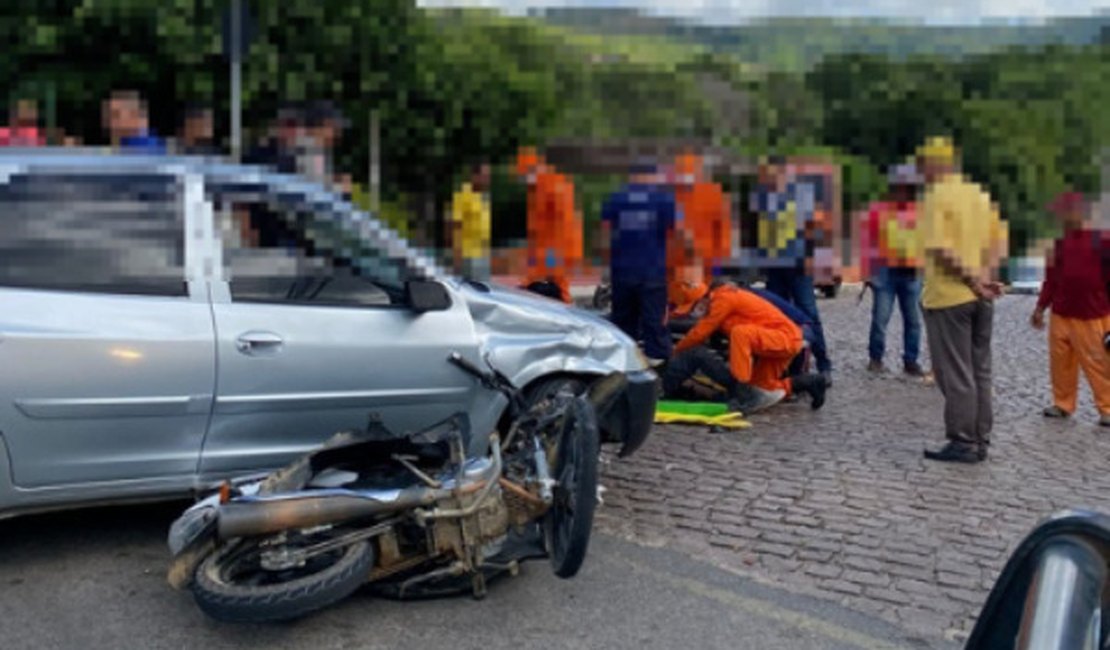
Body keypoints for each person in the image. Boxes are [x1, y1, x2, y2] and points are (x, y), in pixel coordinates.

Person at [916, 136, 1008, 463]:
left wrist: (970, 279)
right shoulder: (978, 195)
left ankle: (963, 442)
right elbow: (999, 243)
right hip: (982, 295)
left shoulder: (935, 196)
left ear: (934, 164)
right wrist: (986, 279)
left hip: (949, 296)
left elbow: (941, 248)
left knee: (956, 373)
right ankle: (981, 438)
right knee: (980, 370)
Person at [673, 280, 828, 413]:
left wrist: (675, 351)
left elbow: (700, 332)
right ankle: (810, 382)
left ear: (702, 299)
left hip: (785, 338)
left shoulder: (723, 298)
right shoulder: (722, 299)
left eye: (693, 307)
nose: (693, 312)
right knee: (762, 388)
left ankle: (743, 392)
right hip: (779, 340)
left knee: (740, 333)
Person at [1030, 191, 1110, 427]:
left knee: (1098, 362)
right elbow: (1051, 278)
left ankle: (1107, 407)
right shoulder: (1057, 242)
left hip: (1092, 313)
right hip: (1061, 312)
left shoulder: (1102, 240)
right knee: (1060, 361)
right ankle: (1063, 403)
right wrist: (1040, 307)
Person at [751, 157, 833, 381]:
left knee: (809, 314)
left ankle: (823, 364)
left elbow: (816, 227)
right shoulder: (761, 195)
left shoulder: (801, 193)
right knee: (775, 317)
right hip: (774, 266)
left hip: (798, 265)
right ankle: (783, 365)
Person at [601, 160, 685, 364]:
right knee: (654, 322)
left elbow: (604, 232)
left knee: (623, 320)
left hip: (622, 271)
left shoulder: (616, 198)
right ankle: (658, 367)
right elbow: (677, 232)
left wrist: (605, 264)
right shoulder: (664, 199)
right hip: (652, 272)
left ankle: (622, 365)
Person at [860, 163, 927, 377]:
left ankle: (910, 360)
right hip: (884, 271)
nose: (903, 190)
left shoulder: (920, 212)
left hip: (911, 271)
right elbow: (868, 242)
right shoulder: (879, 210)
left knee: (913, 321)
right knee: (880, 318)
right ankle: (876, 358)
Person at [515, 147, 583, 304]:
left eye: (525, 173)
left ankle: (563, 302)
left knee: (558, 283)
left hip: (556, 246)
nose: (524, 178)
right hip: (551, 246)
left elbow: (560, 226)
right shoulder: (541, 187)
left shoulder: (551, 186)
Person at [671, 152, 731, 283]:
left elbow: (722, 228)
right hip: (682, 261)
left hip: (704, 259)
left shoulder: (714, 194)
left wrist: (720, 259)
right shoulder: (673, 196)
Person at [449, 163, 493, 282]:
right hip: (467, 256)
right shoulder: (463, 196)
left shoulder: (484, 198)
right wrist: (457, 256)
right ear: (474, 176)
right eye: (483, 176)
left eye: (488, 176)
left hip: (482, 254)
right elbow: (455, 227)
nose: (486, 179)